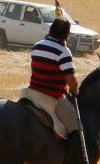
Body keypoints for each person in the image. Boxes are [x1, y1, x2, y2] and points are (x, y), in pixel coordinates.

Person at [20, 18, 80, 151]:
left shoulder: (37, 45)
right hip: (52, 96)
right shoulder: (63, 51)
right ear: (66, 34)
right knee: (76, 126)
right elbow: (71, 81)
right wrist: (75, 91)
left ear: (51, 30)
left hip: (32, 93)